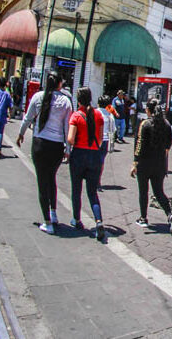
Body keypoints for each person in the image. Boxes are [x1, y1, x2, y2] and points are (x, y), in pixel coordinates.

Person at [16, 72, 73, 234]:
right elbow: (66, 127)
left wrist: (20, 134)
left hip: (40, 143)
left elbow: (28, 118)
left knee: (42, 182)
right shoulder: (65, 101)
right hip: (56, 146)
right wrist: (68, 149)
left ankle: (47, 222)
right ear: (60, 84)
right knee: (51, 178)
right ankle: (53, 214)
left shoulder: (38, 96)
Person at [131, 98, 172, 233]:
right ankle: (170, 215)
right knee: (159, 192)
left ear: (148, 110)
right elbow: (168, 147)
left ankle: (143, 218)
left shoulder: (145, 124)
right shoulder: (167, 125)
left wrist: (135, 163)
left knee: (143, 191)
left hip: (144, 163)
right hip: (160, 163)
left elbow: (139, 146)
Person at [66, 87, 106, 240]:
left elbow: (70, 138)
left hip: (79, 155)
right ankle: (99, 221)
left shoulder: (76, 116)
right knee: (92, 192)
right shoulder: (98, 114)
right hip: (95, 154)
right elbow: (101, 139)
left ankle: (77, 220)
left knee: (76, 190)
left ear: (78, 100)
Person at [96, 94, 116, 186]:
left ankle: (92, 178)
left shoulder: (94, 113)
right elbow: (113, 130)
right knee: (101, 161)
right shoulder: (110, 115)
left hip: (94, 140)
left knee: (92, 159)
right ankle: (98, 180)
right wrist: (112, 144)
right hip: (105, 140)